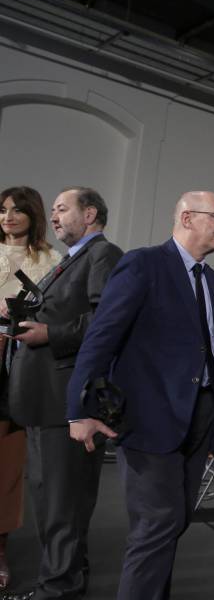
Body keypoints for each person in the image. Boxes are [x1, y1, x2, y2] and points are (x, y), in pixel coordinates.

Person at [66, 191, 214, 600]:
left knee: (172, 524)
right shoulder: (143, 263)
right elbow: (102, 336)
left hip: (201, 418)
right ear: (188, 218)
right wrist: (78, 409)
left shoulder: (213, 281)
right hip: (147, 418)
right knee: (157, 523)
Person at [3, 188, 123, 600]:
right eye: (51, 210)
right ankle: (68, 577)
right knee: (54, 499)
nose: (53, 217)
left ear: (89, 214)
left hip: (63, 399)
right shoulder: (73, 259)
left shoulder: (103, 256)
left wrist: (49, 333)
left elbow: (107, 319)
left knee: (60, 504)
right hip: (45, 399)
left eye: (61, 209)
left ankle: (57, 588)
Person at [0, 187, 61, 593]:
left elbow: (60, 311)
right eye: (2, 210)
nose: (7, 216)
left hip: (21, 367)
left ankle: (0, 548)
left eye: (17, 210)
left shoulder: (52, 260)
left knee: (7, 464)